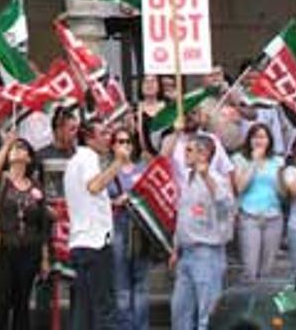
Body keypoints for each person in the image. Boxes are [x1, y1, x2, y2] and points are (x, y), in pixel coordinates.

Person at [169, 135, 235, 330]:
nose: (184, 154)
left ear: (203, 154)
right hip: (186, 252)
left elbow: (226, 204)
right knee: (180, 312)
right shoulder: (188, 179)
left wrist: (206, 177)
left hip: (207, 253)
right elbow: (183, 216)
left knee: (207, 315)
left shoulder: (216, 178)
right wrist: (175, 248)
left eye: (189, 150)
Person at [0, 134, 50, 330]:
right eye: (15, 147)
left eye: (22, 147)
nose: (17, 149)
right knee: (2, 302)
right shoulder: (2, 181)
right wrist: (6, 144)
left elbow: (43, 224)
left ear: (29, 158)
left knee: (22, 304)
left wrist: (45, 257)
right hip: (1, 250)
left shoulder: (36, 186)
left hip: (29, 251)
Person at [63, 118, 119, 329]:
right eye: (103, 133)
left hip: (80, 241)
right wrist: (118, 163)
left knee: (83, 310)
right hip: (95, 243)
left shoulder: (74, 161)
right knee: (103, 309)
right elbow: (94, 186)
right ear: (88, 137)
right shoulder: (87, 157)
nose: (108, 138)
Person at [107, 127, 151, 330]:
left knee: (141, 284)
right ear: (113, 146)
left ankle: (141, 326)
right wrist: (117, 201)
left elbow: (151, 197)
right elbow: (99, 201)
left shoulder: (142, 169)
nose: (124, 146)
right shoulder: (107, 171)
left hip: (139, 229)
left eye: (127, 142)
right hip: (118, 228)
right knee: (121, 285)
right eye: (120, 141)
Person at [232, 123, 284, 282]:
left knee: (267, 269)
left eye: (263, 137)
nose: (259, 141)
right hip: (249, 216)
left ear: (269, 140)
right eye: (255, 137)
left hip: (273, 216)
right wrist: (254, 162)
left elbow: (283, 192)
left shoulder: (278, 161)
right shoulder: (239, 159)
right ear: (249, 139)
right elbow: (239, 187)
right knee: (250, 269)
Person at [161, 108, 234, 188]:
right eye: (184, 114)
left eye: (193, 113)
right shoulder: (171, 139)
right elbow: (161, 163)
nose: (189, 116)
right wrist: (177, 132)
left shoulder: (212, 139)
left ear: (200, 115)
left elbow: (227, 170)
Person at [135, 75, 167, 157]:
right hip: (143, 160)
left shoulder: (168, 108)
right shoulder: (134, 110)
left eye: (153, 81)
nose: (149, 84)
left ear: (159, 86)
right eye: (146, 82)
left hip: (165, 158)